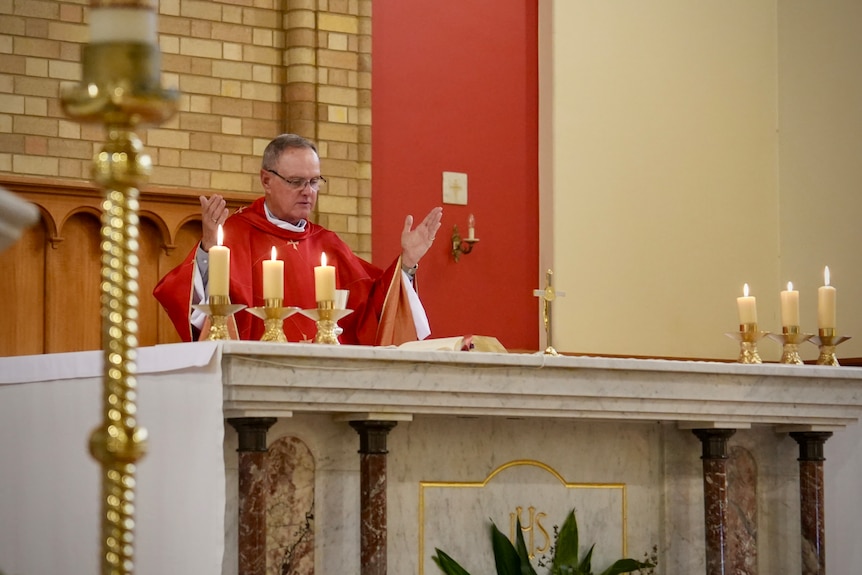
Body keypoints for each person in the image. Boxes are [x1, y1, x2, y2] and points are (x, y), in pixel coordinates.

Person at [154, 133, 442, 345]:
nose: (308, 191)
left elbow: (374, 309)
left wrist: (407, 263)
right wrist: (207, 247)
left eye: (315, 181)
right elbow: (200, 311)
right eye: (296, 182)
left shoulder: (328, 244)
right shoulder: (234, 236)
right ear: (266, 180)